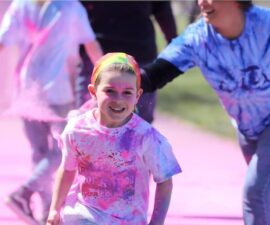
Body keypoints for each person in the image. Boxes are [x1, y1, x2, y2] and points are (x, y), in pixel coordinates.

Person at [141, 1, 270, 225]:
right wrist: (118, 78)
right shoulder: (198, 38)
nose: (201, 2)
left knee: (256, 190)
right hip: (249, 127)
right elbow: (155, 75)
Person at [46, 53, 181, 225]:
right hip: (82, 216)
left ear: (137, 96)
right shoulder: (77, 129)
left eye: (127, 92)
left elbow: (164, 181)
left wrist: (156, 222)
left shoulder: (146, 137)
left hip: (128, 220)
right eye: (110, 91)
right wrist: (54, 209)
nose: (118, 100)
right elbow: (67, 169)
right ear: (93, 92)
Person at [0, 0, 103, 223]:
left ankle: (46, 213)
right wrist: (108, 75)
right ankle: (25, 193)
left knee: (40, 153)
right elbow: (91, 45)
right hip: (58, 89)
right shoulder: (70, 6)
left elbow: (3, 41)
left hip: (27, 88)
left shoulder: (21, 5)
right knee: (63, 150)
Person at [77, 1, 177, 124]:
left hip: (133, 54)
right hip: (98, 53)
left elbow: (162, 8)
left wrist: (174, 46)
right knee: (88, 122)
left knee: (139, 124)